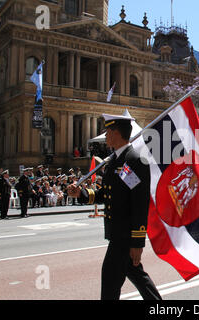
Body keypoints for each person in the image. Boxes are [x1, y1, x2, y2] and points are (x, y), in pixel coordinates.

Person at [68, 113, 161, 301]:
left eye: (108, 132)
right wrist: (82, 194)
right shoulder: (114, 162)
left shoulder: (134, 160)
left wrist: (137, 242)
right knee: (137, 277)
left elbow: (139, 202)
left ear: (117, 133)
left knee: (110, 281)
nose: (105, 136)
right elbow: (106, 193)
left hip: (124, 236)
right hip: (117, 233)